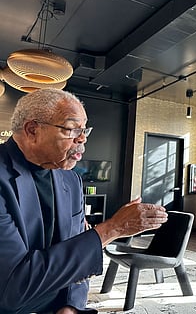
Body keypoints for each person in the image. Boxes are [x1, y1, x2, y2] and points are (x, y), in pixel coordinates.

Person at [0, 89, 168, 314]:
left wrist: (71, 305)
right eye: (71, 129)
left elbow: (76, 249)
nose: (82, 138)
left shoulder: (71, 179)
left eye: (84, 129)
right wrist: (112, 229)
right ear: (32, 130)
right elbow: (12, 288)